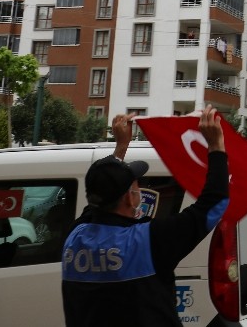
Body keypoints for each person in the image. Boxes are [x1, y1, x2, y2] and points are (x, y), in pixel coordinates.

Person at [61, 107, 228, 327]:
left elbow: (98, 201)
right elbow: (214, 205)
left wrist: (121, 147)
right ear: (130, 198)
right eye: (136, 183)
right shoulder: (146, 241)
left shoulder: (75, 238)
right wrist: (216, 146)